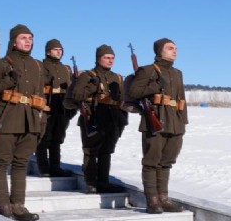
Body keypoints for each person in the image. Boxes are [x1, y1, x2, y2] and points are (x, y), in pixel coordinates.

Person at [0, 24, 45, 221]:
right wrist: (7, 82)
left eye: (30, 38)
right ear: (14, 41)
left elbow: (40, 97)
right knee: (1, 162)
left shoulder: (37, 65)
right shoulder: (2, 63)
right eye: (23, 38)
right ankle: (4, 206)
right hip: (6, 119)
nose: (28, 41)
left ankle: (18, 206)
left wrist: (42, 123)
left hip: (30, 120)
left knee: (21, 163)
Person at [127, 38, 187, 214]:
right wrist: (154, 85)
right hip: (155, 120)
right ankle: (152, 201)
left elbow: (181, 98)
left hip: (175, 122)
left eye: (175, 48)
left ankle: (163, 199)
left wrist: (183, 122)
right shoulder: (147, 70)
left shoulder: (177, 73)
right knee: (151, 162)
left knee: (167, 162)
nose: (174, 51)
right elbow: (134, 92)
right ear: (160, 51)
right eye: (170, 48)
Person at [69, 44, 127, 194]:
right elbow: (75, 96)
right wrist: (91, 88)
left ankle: (103, 181)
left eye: (112, 58)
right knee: (91, 151)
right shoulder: (87, 76)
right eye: (106, 57)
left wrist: (122, 120)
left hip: (112, 119)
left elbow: (122, 100)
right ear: (98, 58)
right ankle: (90, 182)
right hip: (92, 117)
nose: (110, 60)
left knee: (106, 151)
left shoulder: (117, 78)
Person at [36, 39, 74, 177]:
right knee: (44, 137)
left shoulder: (65, 68)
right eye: (55, 49)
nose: (59, 52)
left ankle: (55, 166)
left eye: (60, 49)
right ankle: (43, 168)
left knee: (57, 138)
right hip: (47, 105)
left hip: (61, 107)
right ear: (48, 51)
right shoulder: (40, 65)